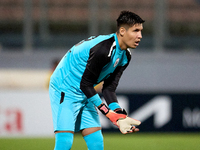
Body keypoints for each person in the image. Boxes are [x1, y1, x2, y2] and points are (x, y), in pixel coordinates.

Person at [49, 10, 145, 150]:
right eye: (136, 30)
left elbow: (109, 88)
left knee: (96, 142)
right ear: (122, 31)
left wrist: (118, 115)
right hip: (65, 88)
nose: (140, 36)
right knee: (65, 142)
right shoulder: (103, 49)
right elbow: (86, 84)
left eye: (141, 31)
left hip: (84, 90)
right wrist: (107, 112)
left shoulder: (125, 56)